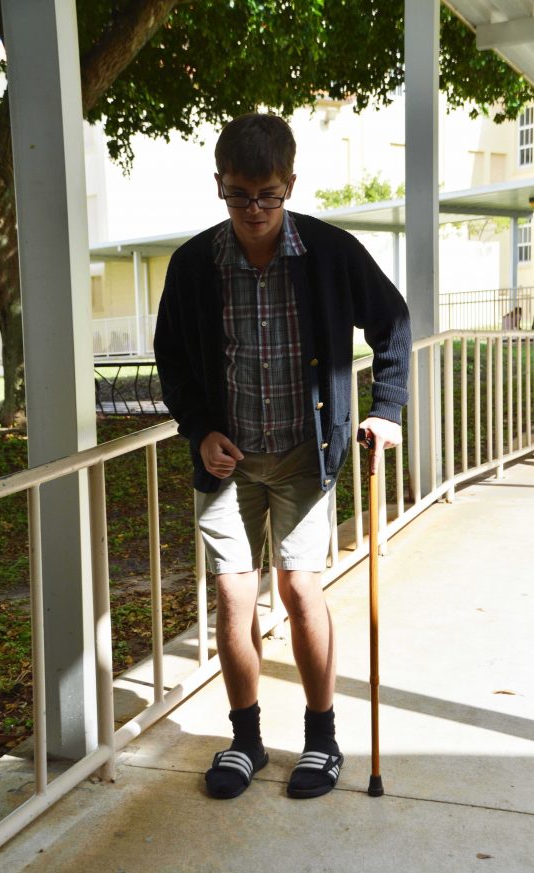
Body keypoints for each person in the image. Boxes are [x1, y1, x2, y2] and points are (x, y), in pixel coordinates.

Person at [154, 113, 411, 801]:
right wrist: (200, 427)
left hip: (305, 452)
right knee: (234, 595)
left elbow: (392, 322)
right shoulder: (193, 264)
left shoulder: (330, 253)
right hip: (227, 462)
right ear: (220, 187)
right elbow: (171, 357)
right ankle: (244, 740)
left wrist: (385, 410)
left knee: (299, 590)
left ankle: (321, 739)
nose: (254, 210)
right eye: (239, 195)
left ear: (289, 184)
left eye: (267, 194)